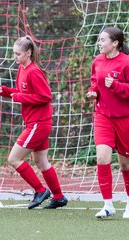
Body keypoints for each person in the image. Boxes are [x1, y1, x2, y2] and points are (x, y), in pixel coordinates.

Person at [0, 36, 67, 209]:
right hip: (34, 122)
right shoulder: (22, 68)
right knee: (41, 162)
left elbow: (45, 96)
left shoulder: (34, 71)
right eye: (14, 53)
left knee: (13, 158)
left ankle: (40, 190)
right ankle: (58, 197)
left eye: (18, 54)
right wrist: (7, 92)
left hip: (38, 123)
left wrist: (18, 96)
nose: (15, 57)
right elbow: (22, 92)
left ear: (28, 53)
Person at [87, 27, 129, 219]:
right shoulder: (97, 60)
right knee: (102, 158)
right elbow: (95, 82)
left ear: (115, 43)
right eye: (99, 39)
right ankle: (108, 205)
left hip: (124, 118)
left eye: (103, 40)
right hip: (102, 115)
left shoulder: (126, 62)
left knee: (125, 164)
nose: (99, 43)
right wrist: (94, 91)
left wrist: (117, 86)